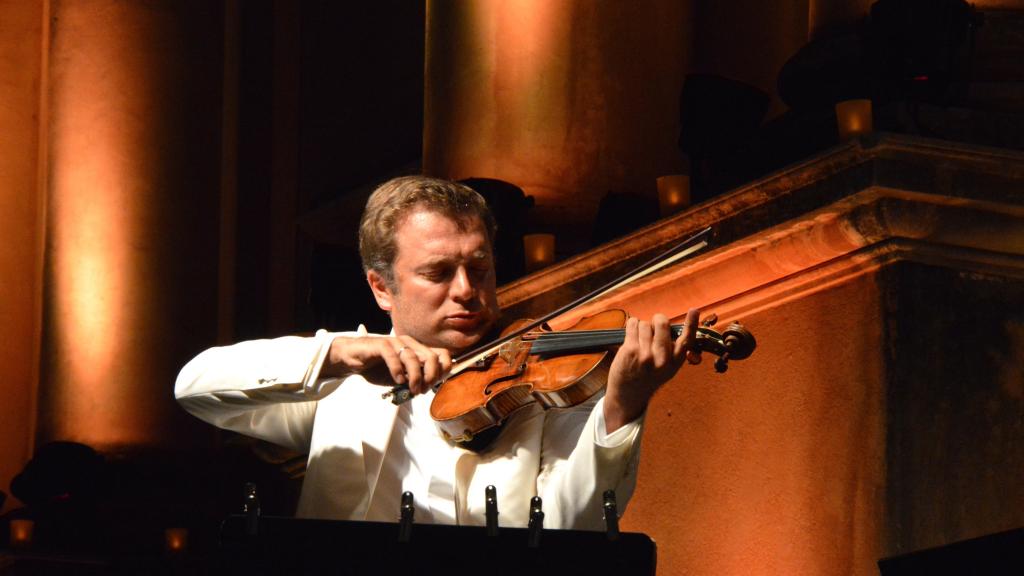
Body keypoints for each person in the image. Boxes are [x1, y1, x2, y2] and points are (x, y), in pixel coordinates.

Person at [175, 175, 701, 530]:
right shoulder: (341, 384)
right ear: (381, 288)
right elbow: (196, 388)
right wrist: (339, 355)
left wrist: (622, 406)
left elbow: (572, 524)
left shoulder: (542, 379)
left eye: (480, 267)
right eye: (438, 272)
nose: (467, 290)